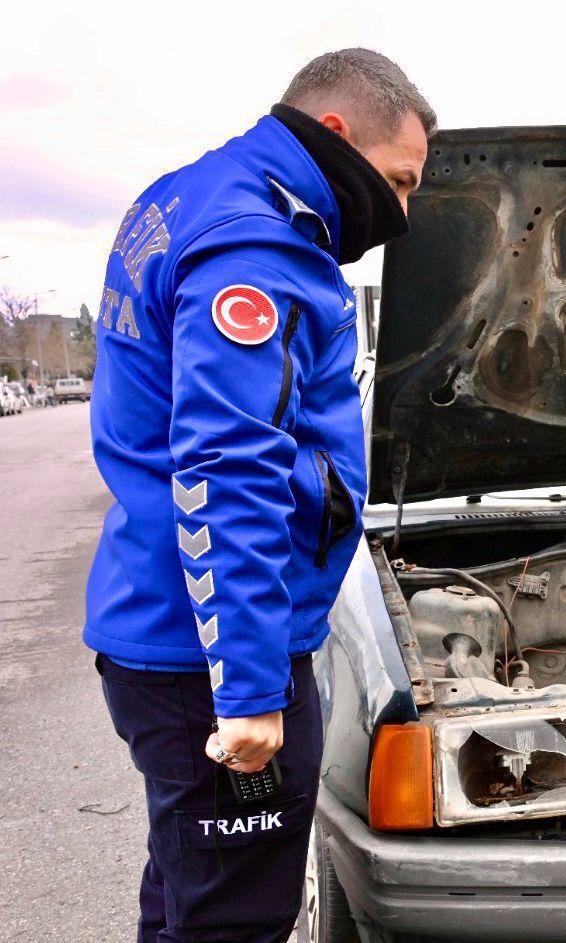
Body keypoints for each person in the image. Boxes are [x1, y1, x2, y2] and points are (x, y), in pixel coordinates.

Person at [85, 49, 434, 941]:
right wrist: (246, 691)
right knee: (233, 919)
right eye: (398, 182)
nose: (401, 211)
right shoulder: (256, 244)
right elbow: (227, 468)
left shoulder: (188, 196)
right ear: (335, 135)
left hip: (168, 622)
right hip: (211, 656)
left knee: (187, 892)